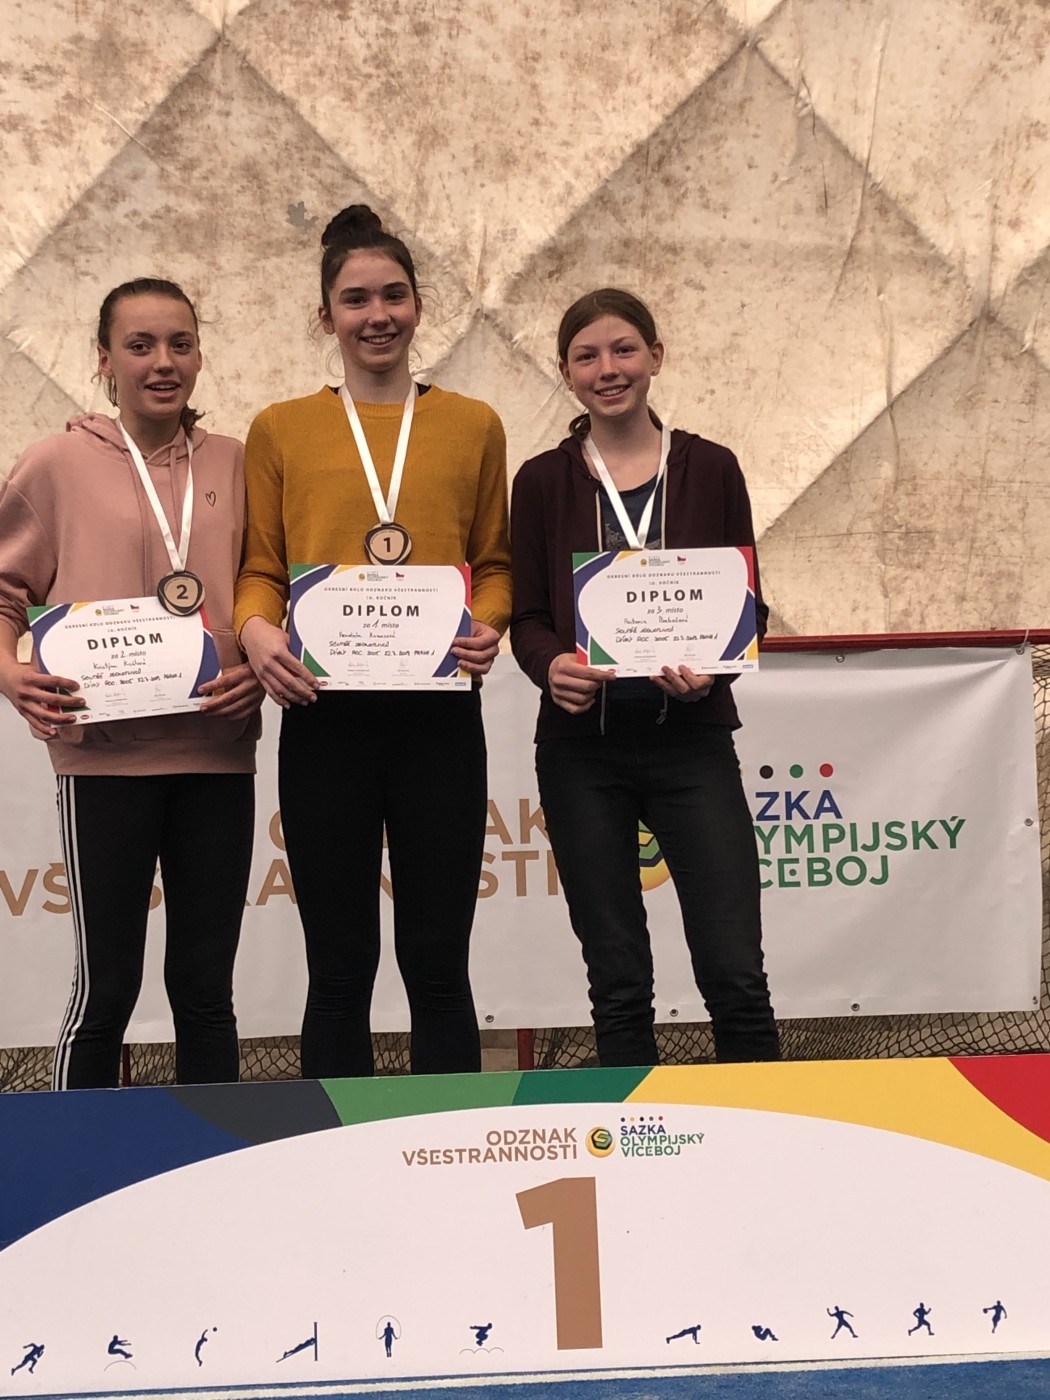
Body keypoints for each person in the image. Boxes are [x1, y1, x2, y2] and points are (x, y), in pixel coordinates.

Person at [235, 204, 511, 1079]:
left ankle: (449, 1142)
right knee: (340, 965)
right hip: (325, 719)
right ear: (326, 316)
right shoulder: (280, 428)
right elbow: (261, 568)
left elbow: (495, 563)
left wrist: (488, 623)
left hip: (438, 721)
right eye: (355, 300)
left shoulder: (474, 424)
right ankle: (338, 1151)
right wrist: (255, 633)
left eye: (394, 295)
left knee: (437, 962)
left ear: (419, 306)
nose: (377, 315)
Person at [0, 278, 261, 1090]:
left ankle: (216, 1154)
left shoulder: (236, 463)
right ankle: (72, 1158)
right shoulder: (54, 464)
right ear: (104, 360)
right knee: (107, 987)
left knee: (207, 991)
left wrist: (258, 665)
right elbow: (4, 592)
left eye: (180, 343)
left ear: (200, 355)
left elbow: (267, 587)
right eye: (140, 345)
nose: (162, 362)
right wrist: (10, 673)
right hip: (104, 759)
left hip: (217, 753)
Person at [510, 288, 779, 1068]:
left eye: (624, 349)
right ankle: (633, 1131)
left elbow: (747, 605)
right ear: (566, 372)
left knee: (735, 970)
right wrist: (550, 666)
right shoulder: (541, 481)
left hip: (691, 743)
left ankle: (763, 1127)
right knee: (618, 979)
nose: (609, 368)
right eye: (587, 355)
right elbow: (527, 616)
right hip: (580, 752)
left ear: (656, 357)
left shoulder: (712, 468)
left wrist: (713, 672)